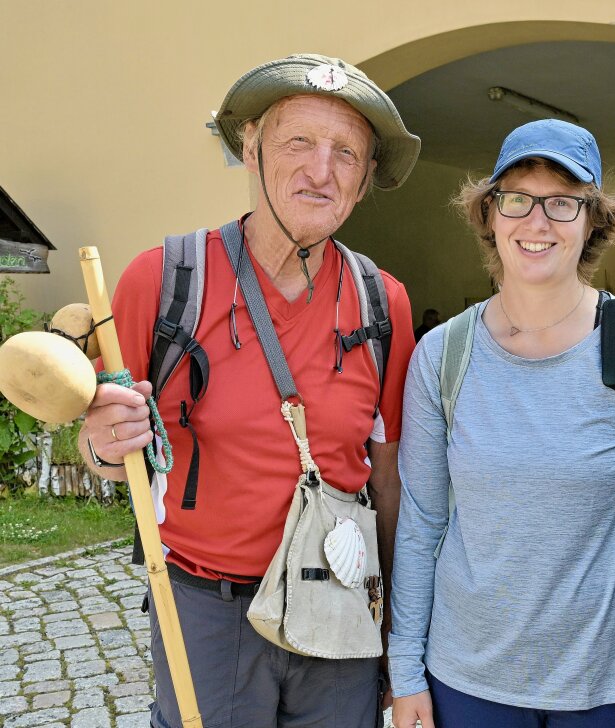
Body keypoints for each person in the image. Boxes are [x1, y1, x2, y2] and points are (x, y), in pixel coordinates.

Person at [77, 53, 420, 727]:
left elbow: (388, 480)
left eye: (346, 153)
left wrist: (392, 630)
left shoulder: (385, 304)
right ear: (251, 148)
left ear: (365, 180)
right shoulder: (163, 281)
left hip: (341, 604)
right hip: (209, 608)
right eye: (299, 142)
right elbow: (109, 454)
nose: (321, 171)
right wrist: (98, 445)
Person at [389, 119, 615, 728]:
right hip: (467, 683)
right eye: (517, 199)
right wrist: (406, 672)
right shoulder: (444, 356)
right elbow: (422, 524)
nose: (537, 222)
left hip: (605, 687)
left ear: (593, 221)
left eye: (562, 203)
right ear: (490, 214)